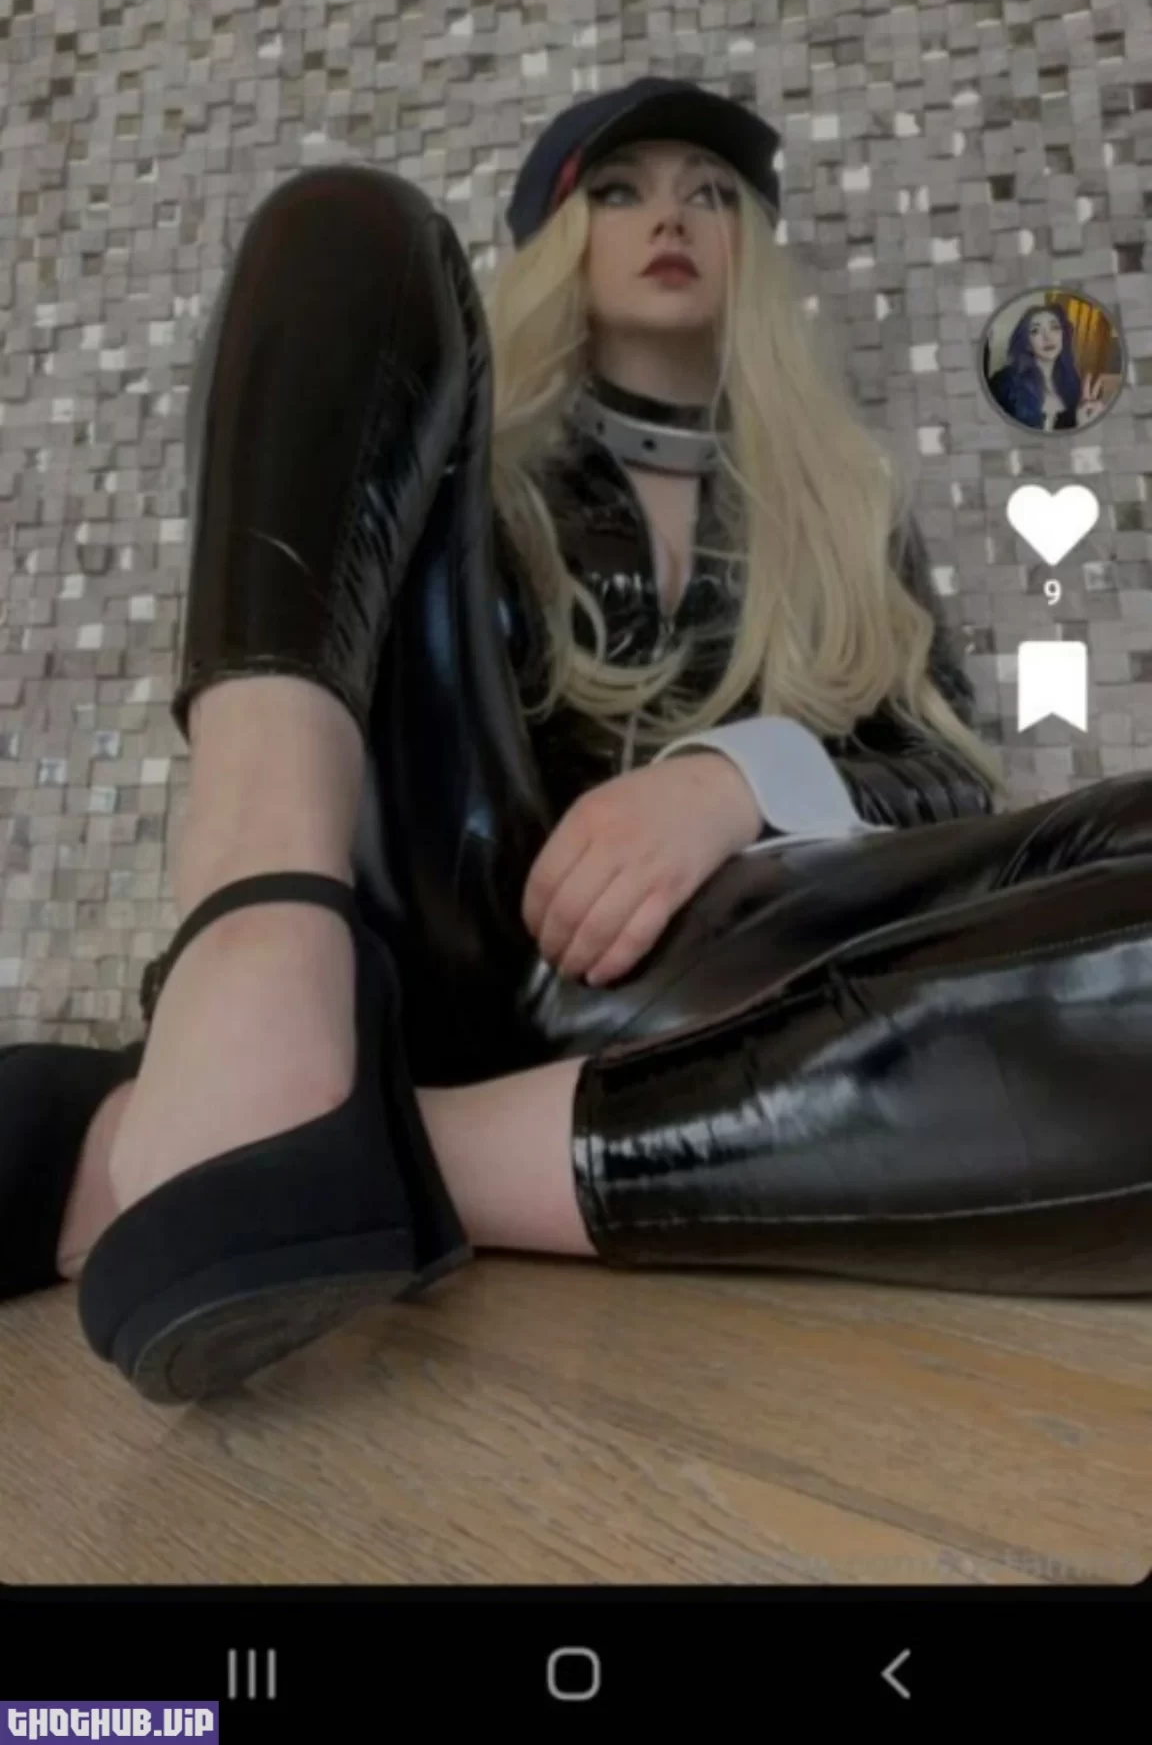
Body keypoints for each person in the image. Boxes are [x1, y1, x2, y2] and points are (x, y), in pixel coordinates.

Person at [4, 75, 1152, 1410]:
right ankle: (251, 939)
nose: (672, 216)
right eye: (620, 191)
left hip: (740, 992)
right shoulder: (481, 478)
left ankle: (345, 1153)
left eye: (711, 196)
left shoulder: (849, 515)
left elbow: (947, 773)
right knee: (350, 225)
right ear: (561, 239)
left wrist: (736, 780)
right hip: (457, 942)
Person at [986, 300, 1108, 432]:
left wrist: (1084, 426)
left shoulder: (1076, 387)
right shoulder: (1003, 384)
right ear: (1027, 343)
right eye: (1035, 331)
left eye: (1054, 327)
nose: (1048, 337)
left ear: (1063, 337)